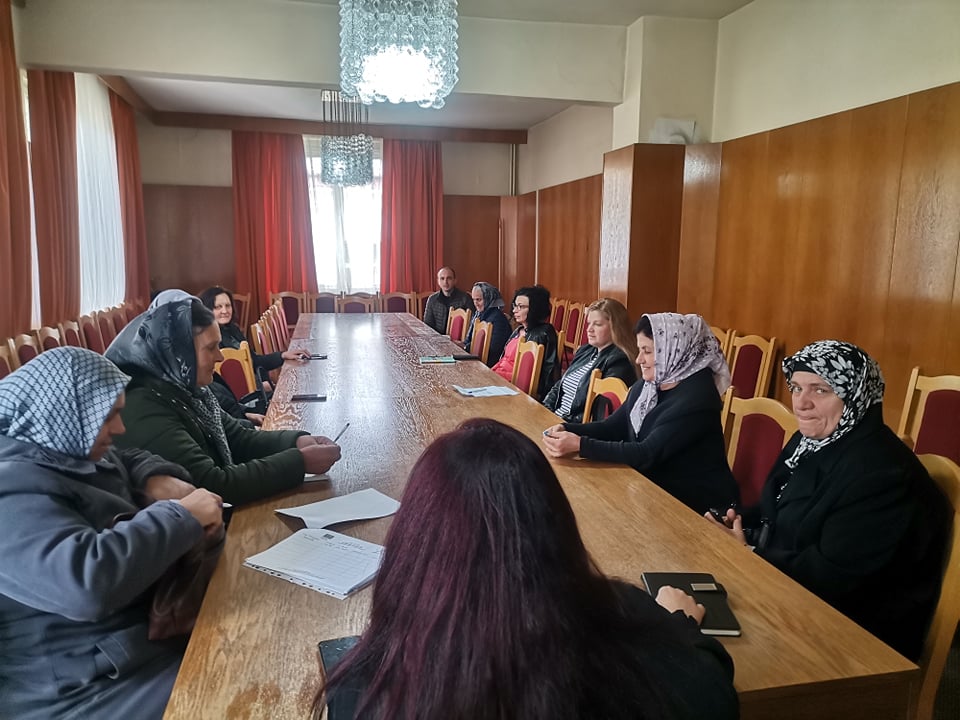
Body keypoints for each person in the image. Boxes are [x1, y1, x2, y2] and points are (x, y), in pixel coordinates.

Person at [315, 419, 738, 720]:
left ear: (414, 540)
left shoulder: (362, 690)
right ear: (553, 523)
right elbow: (712, 694)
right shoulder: (615, 619)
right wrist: (679, 623)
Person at [0, 347, 224, 720]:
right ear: (61, 412)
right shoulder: (8, 492)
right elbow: (85, 584)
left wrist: (154, 476)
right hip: (87, 686)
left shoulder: (56, 440)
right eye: (108, 417)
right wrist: (180, 517)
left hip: (134, 643)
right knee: (241, 676)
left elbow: (122, 456)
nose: (119, 428)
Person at [706, 340, 950, 661]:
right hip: (791, 593)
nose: (801, 403)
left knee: (698, 653)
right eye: (796, 388)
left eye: (820, 390)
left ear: (855, 395)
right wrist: (733, 520)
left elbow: (830, 577)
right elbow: (775, 507)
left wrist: (748, 553)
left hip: (853, 636)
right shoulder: (812, 441)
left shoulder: (883, 474)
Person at [105, 297, 341, 505]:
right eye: (211, 348)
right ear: (177, 353)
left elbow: (238, 438)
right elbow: (212, 484)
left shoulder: (188, 388)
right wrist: (299, 462)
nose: (220, 358)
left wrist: (297, 441)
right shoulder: (143, 407)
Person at [543, 312, 738, 515]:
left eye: (648, 351)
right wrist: (567, 429)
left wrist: (580, 445)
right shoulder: (650, 385)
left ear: (673, 351)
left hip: (696, 509)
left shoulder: (698, 399)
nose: (638, 360)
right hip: (651, 490)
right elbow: (613, 426)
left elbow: (646, 453)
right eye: (639, 350)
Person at [543, 298, 638, 422]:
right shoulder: (586, 350)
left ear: (616, 328)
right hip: (556, 419)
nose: (589, 329)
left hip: (572, 426)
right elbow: (560, 385)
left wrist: (562, 424)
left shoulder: (619, 362)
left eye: (597, 324)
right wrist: (545, 410)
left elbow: (595, 412)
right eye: (589, 323)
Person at [198, 285, 308, 373]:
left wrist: (282, 355)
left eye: (228, 306)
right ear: (207, 309)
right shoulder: (210, 340)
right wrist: (257, 387)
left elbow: (254, 360)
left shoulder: (233, 329)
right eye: (218, 307)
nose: (225, 311)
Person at [491, 285, 559, 399]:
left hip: (513, 388)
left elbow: (543, 374)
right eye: (515, 305)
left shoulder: (543, 333)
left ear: (534, 309)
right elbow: (503, 359)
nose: (514, 310)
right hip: (499, 379)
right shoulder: (519, 330)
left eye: (521, 306)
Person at [460, 281, 511, 367]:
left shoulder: (498, 319)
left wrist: (466, 347)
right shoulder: (478, 314)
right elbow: (468, 339)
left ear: (488, 298)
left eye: (479, 300)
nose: (475, 303)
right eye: (473, 300)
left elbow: (494, 348)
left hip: (491, 365)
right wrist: (463, 345)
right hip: (475, 359)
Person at [421, 266, 473, 334]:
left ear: (455, 280)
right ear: (438, 281)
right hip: (438, 337)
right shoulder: (432, 299)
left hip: (458, 338)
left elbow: (472, 324)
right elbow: (427, 325)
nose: (445, 282)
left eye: (449, 278)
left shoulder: (465, 298)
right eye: (442, 278)